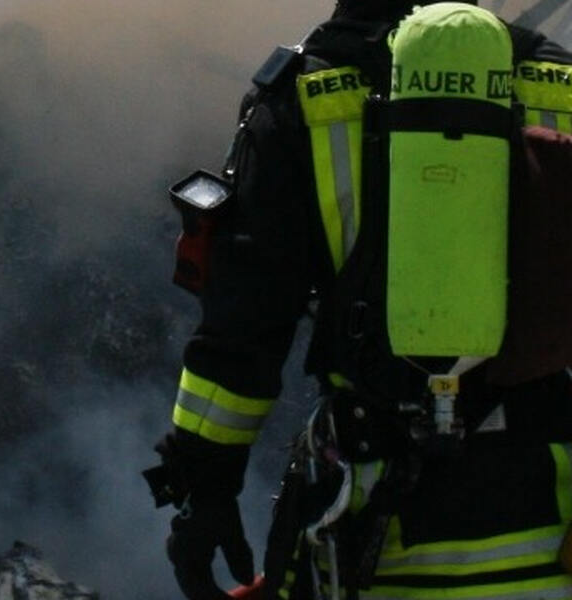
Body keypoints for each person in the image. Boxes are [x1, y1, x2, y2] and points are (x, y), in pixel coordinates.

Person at [154, 1, 572, 598]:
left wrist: (204, 494)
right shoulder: (558, 78)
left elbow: (241, 338)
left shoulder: (303, 95)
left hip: (378, 530)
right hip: (551, 528)